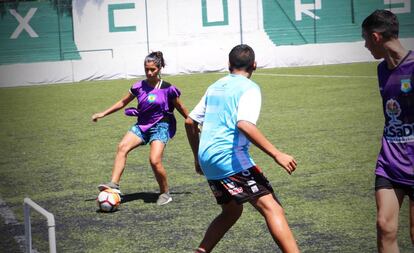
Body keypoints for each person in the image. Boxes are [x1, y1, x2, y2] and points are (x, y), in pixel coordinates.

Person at [185, 44, 300, 253]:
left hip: (207, 158)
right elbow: (244, 124)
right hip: (228, 158)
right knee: (273, 209)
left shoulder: (215, 85)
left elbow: (189, 122)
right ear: (254, 65)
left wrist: (197, 158)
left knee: (231, 211)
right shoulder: (249, 88)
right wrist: (277, 154)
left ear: (229, 65)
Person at [92, 51, 189, 205]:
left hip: (161, 126)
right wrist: (103, 113)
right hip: (142, 125)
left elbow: (180, 107)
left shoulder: (168, 88)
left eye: (153, 69)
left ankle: (165, 193)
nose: (149, 73)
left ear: (160, 68)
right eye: (146, 69)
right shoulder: (138, 86)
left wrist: (192, 122)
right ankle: (114, 185)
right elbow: (122, 102)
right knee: (122, 147)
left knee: (154, 160)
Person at [361, 9, 414, 252]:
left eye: (365, 39)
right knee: (384, 226)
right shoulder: (382, 70)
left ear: (375, 37)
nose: (365, 46)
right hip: (389, 161)